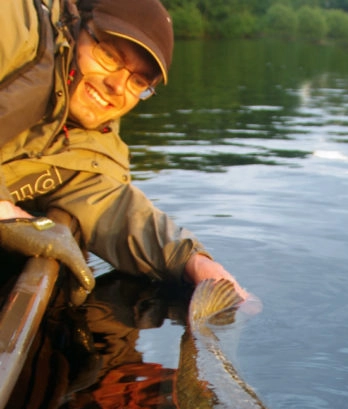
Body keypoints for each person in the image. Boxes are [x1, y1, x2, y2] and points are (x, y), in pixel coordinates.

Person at [0, 0, 250, 304]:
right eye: (108, 55)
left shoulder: (90, 143)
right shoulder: (19, 23)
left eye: (139, 82)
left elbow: (112, 207)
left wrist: (193, 261)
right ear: (78, 25)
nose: (117, 86)